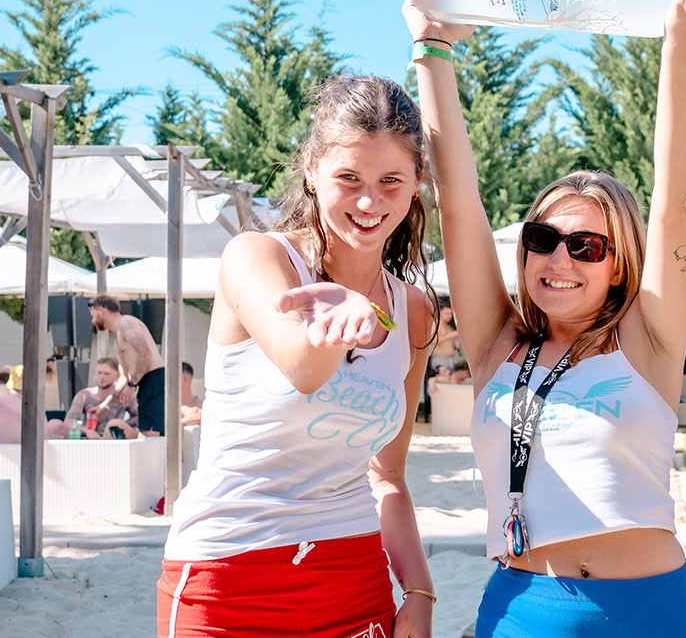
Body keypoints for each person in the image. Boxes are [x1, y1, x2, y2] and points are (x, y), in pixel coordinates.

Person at [407, 0, 686, 638]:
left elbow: (677, 202)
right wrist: (432, 50)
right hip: (526, 610)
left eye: (586, 246)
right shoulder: (501, 344)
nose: (559, 258)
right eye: (543, 237)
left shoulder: (647, 338)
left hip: (650, 614)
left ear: (619, 265)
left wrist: (684, 43)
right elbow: (460, 206)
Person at [156, 75, 436, 638]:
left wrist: (420, 591)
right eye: (348, 178)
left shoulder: (414, 311)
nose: (368, 201)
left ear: (416, 184)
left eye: (390, 181)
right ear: (311, 171)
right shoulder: (256, 257)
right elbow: (302, 367)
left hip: (354, 574)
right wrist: (334, 322)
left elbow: (388, 477)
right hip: (228, 574)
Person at [88, 296, 167, 436]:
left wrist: (132, 386)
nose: (92, 321)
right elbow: (124, 377)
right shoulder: (118, 339)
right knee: (145, 434)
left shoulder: (126, 323)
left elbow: (145, 355)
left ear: (101, 310)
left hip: (155, 380)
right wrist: (104, 405)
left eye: (93, 315)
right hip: (146, 384)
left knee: (152, 435)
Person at [61, 357, 137, 438]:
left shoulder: (123, 396)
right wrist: (86, 431)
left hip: (112, 440)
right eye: (99, 373)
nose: (101, 377)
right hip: (87, 437)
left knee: (114, 424)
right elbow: (68, 421)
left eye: (106, 374)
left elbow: (138, 416)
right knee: (54, 424)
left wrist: (121, 424)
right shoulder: (84, 395)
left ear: (117, 375)